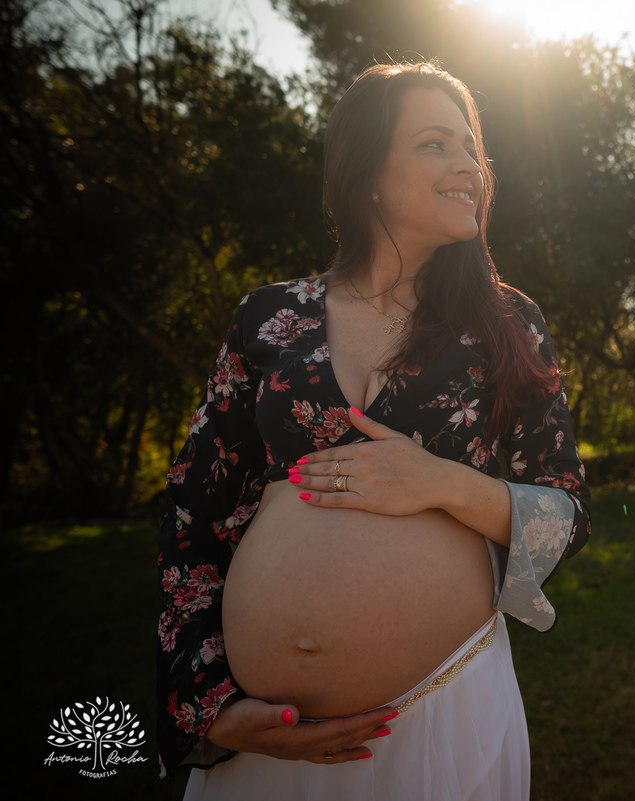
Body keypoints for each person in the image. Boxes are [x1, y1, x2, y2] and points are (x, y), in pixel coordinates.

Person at [156, 61, 590, 800]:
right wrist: (209, 703)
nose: (469, 167)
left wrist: (447, 484)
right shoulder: (267, 317)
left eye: (471, 147)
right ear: (368, 173)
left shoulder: (507, 324)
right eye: (434, 144)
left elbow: (567, 514)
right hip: (264, 745)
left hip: (441, 716)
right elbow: (191, 510)